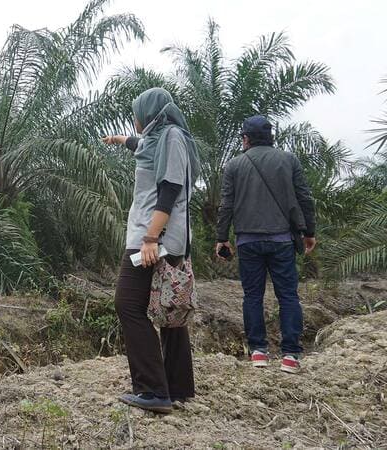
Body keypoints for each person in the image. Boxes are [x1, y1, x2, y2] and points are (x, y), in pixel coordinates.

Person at [102, 87, 200, 414]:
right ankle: (177, 387)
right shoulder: (159, 139)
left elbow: (170, 187)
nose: (135, 120)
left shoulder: (170, 137)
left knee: (128, 303)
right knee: (169, 307)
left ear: (152, 113)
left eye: (137, 114)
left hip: (155, 235)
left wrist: (150, 238)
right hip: (157, 234)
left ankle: (153, 390)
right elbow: (141, 147)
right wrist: (120, 140)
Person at [215, 115, 317, 374]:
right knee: (288, 296)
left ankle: (258, 352)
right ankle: (290, 356)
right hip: (282, 240)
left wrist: (221, 237)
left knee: (252, 297)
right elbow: (304, 197)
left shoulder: (234, 165)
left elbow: (226, 204)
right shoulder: (288, 160)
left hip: (248, 241)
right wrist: (309, 232)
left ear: (246, 138)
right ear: (271, 137)